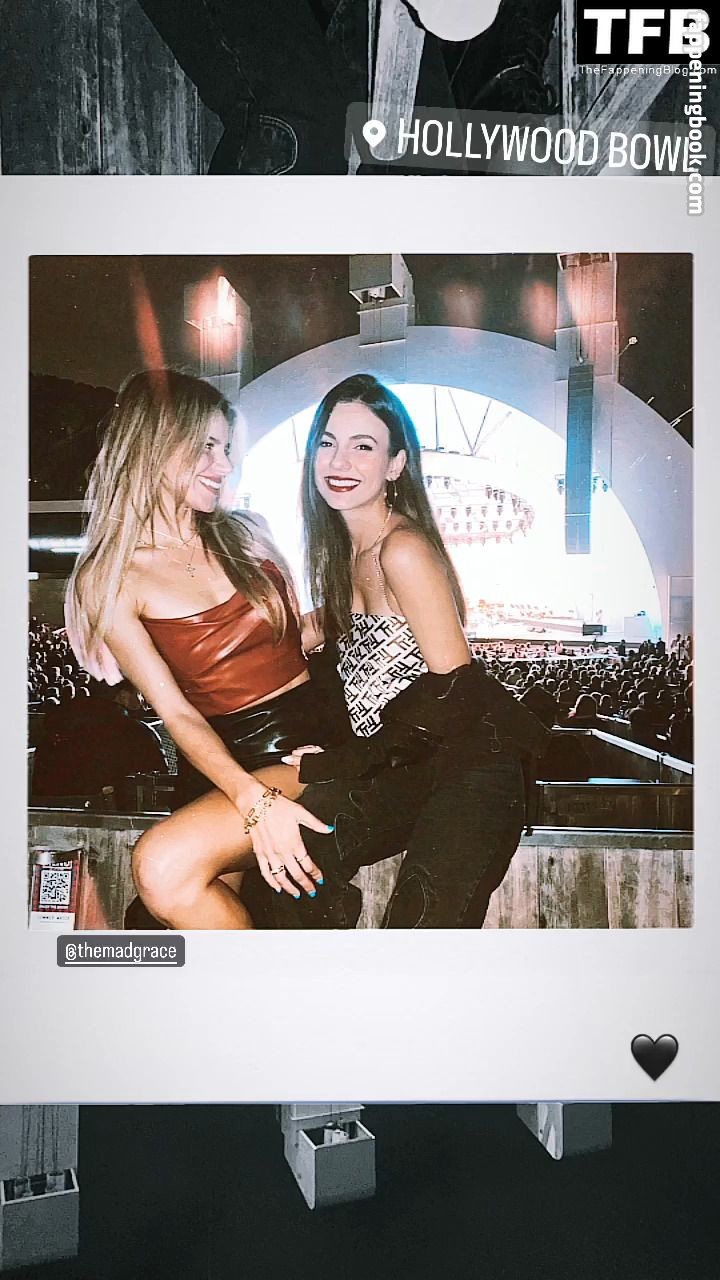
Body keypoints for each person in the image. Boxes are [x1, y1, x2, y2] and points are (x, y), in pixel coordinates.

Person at [65, 369, 346, 931]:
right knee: (174, 911)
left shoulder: (246, 531)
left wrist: (373, 594)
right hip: (217, 763)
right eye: (206, 448)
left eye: (225, 448)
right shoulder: (111, 578)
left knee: (163, 868)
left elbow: (292, 639)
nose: (224, 465)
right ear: (154, 445)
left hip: (303, 746)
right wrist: (252, 799)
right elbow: (175, 712)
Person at [282, 374, 548, 928]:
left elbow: (454, 691)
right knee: (286, 872)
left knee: (417, 931)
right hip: (403, 771)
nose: (340, 460)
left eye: (363, 446)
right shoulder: (341, 558)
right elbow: (284, 642)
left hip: (471, 773)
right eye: (327, 442)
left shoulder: (401, 549)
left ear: (395, 465)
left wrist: (339, 762)